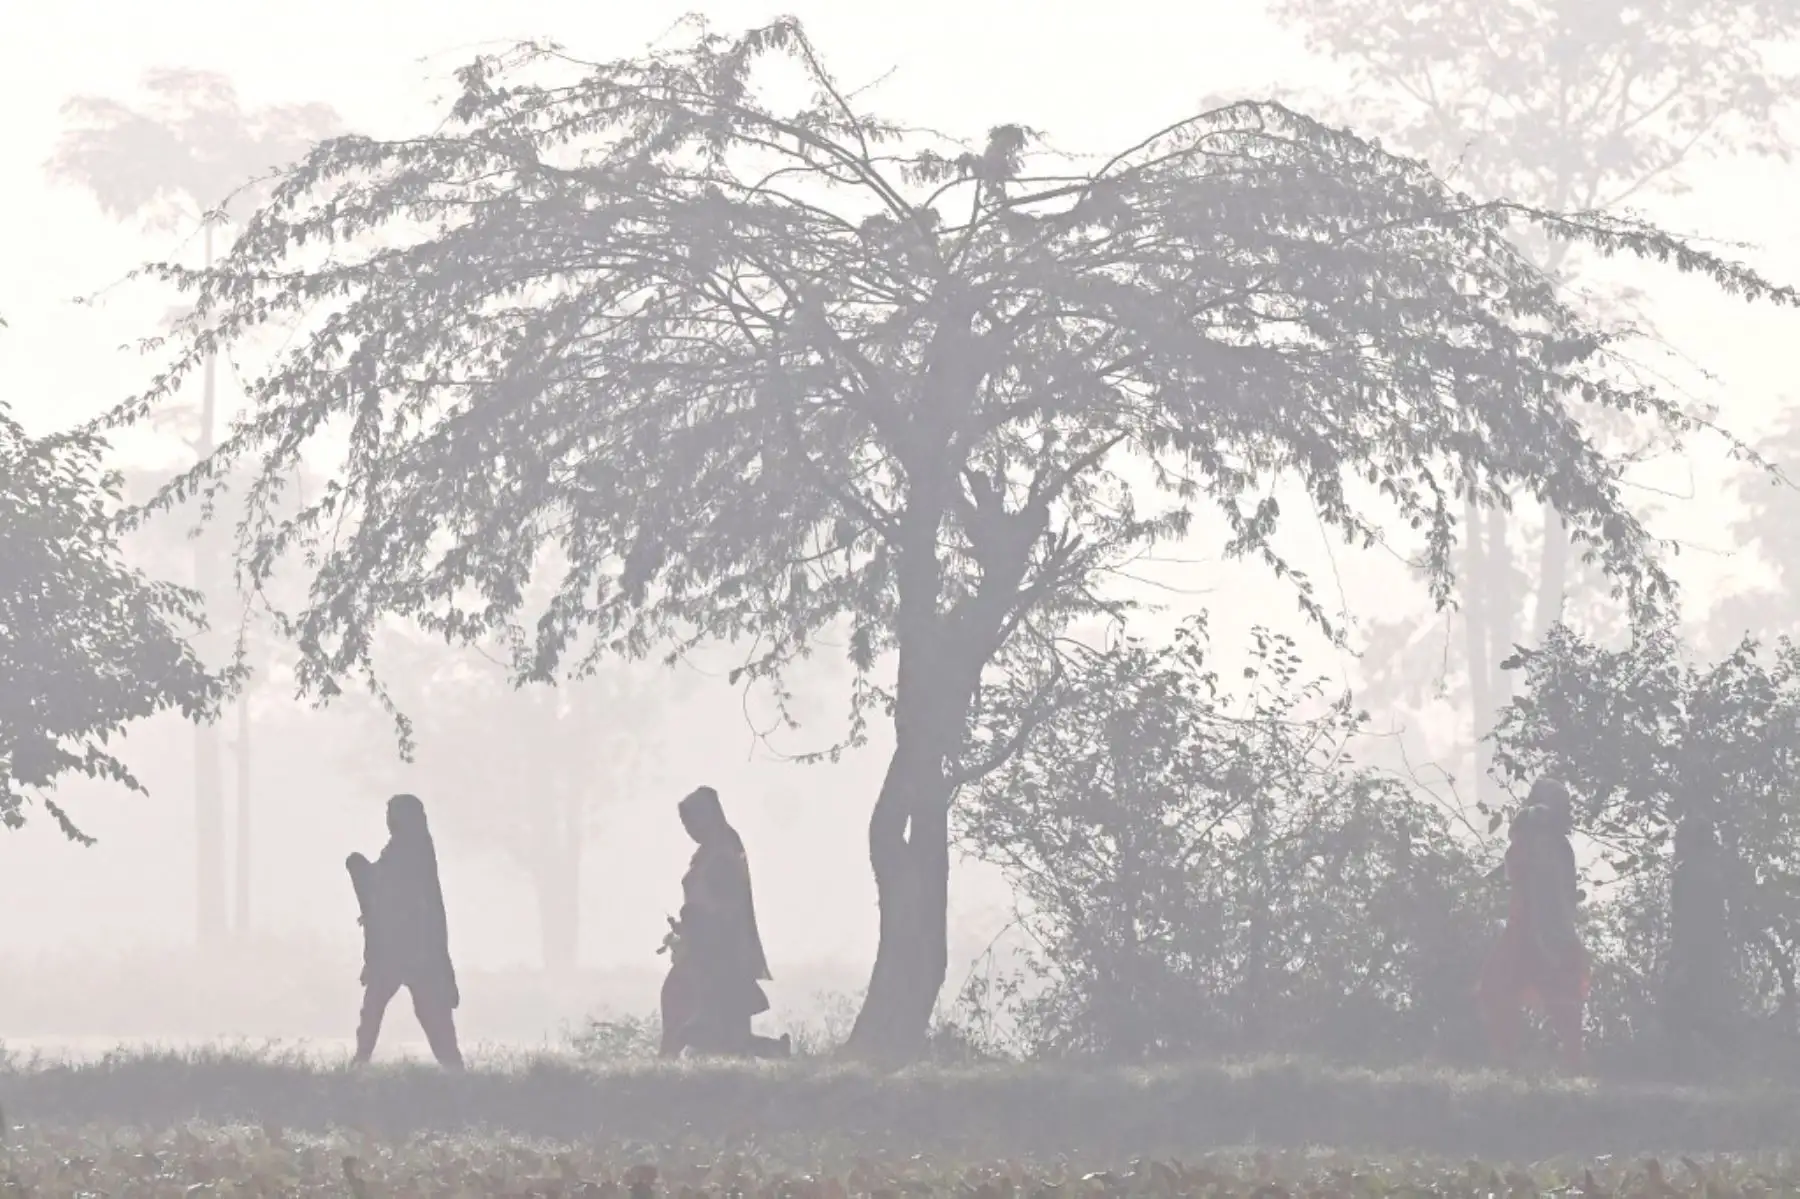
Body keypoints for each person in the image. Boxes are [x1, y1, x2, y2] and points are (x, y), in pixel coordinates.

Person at [657, 785, 790, 1059]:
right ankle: (772, 1051)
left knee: (685, 1013)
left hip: (715, 954)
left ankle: (661, 1070)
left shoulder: (721, 855)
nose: (689, 829)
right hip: (706, 949)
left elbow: (725, 907)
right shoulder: (713, 852)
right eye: (685, 823)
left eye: (691, 821)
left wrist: (696, 923)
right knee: (725, 1035)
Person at [1476, 777, 1589, 1071]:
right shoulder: (1549, 842)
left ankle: (1563, 1060)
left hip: (1538, 928)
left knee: (1552, 994)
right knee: (1502, 987)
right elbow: (1520, 871)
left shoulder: (1544, 841)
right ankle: (1511, 1056)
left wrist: (1551, 934)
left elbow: (1548, 888)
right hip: (1532, 926)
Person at [346, 793, 464, 1069]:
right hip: (410, 950)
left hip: (406, 951)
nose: (389, 820)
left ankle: (359, 1065)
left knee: (418, 1015)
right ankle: (455, 1071)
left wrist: (360, 869)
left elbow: (387, 892)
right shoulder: (409, 849)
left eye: (393, 814)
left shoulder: (409, 851)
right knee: (384, 1012)